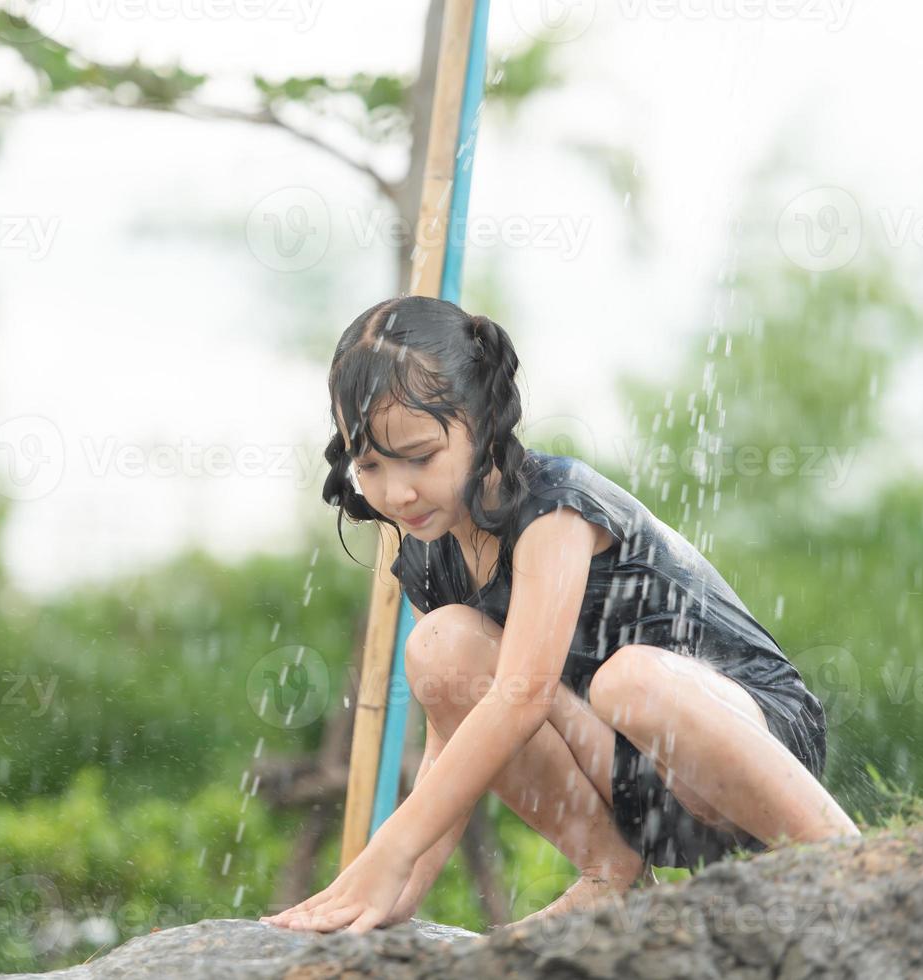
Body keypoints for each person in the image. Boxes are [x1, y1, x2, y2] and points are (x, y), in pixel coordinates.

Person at [260, 295, 860, 935]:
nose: (397, 491)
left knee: (630, 680)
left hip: (749, 746)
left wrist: (392, 848)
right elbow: (455, 729)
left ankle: (846, 858)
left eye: (420, 456)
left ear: (484, 421)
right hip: (633, 786)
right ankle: (611, 872)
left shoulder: (554, 510)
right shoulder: (425, 556)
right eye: (371, 466)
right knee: (441, 649)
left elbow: (522, 696)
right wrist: (396, 885)